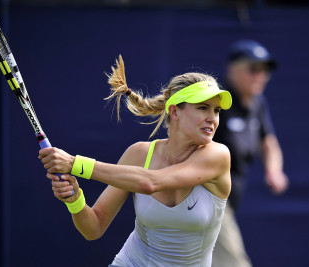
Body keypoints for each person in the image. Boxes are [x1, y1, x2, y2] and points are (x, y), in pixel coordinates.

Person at [39, 55, 233, 266]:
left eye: (216, 110)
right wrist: (75, 199)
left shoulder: (217, 155)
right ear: (175, 111)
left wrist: (76, 164)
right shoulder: (139, 155)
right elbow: (93, 228)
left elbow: (151, 183)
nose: (212, 118)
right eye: (203, 108)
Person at [211, 40, 289, 267]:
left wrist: (274, 171)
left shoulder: (258, 103)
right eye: (254, 69)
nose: (261, 76)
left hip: (226, 203)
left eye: (265, 70)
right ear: (233, 69)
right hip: (206, 201)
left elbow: (268, 142)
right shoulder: (217, 104)